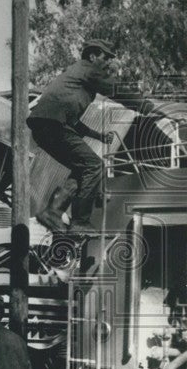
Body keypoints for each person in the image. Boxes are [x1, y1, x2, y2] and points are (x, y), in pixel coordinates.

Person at [28, 39, 151, 234]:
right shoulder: (88, 69)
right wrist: (146, 106)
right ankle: (80, 222)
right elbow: (117, 91)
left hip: (45, 126)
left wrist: (98, 136)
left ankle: (52, 211)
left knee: (83, 167)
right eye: (105, 57)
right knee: (95, 166)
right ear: (92, 56)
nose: (108, 62)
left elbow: (73, 121)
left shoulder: (75, 78)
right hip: (51, 125)